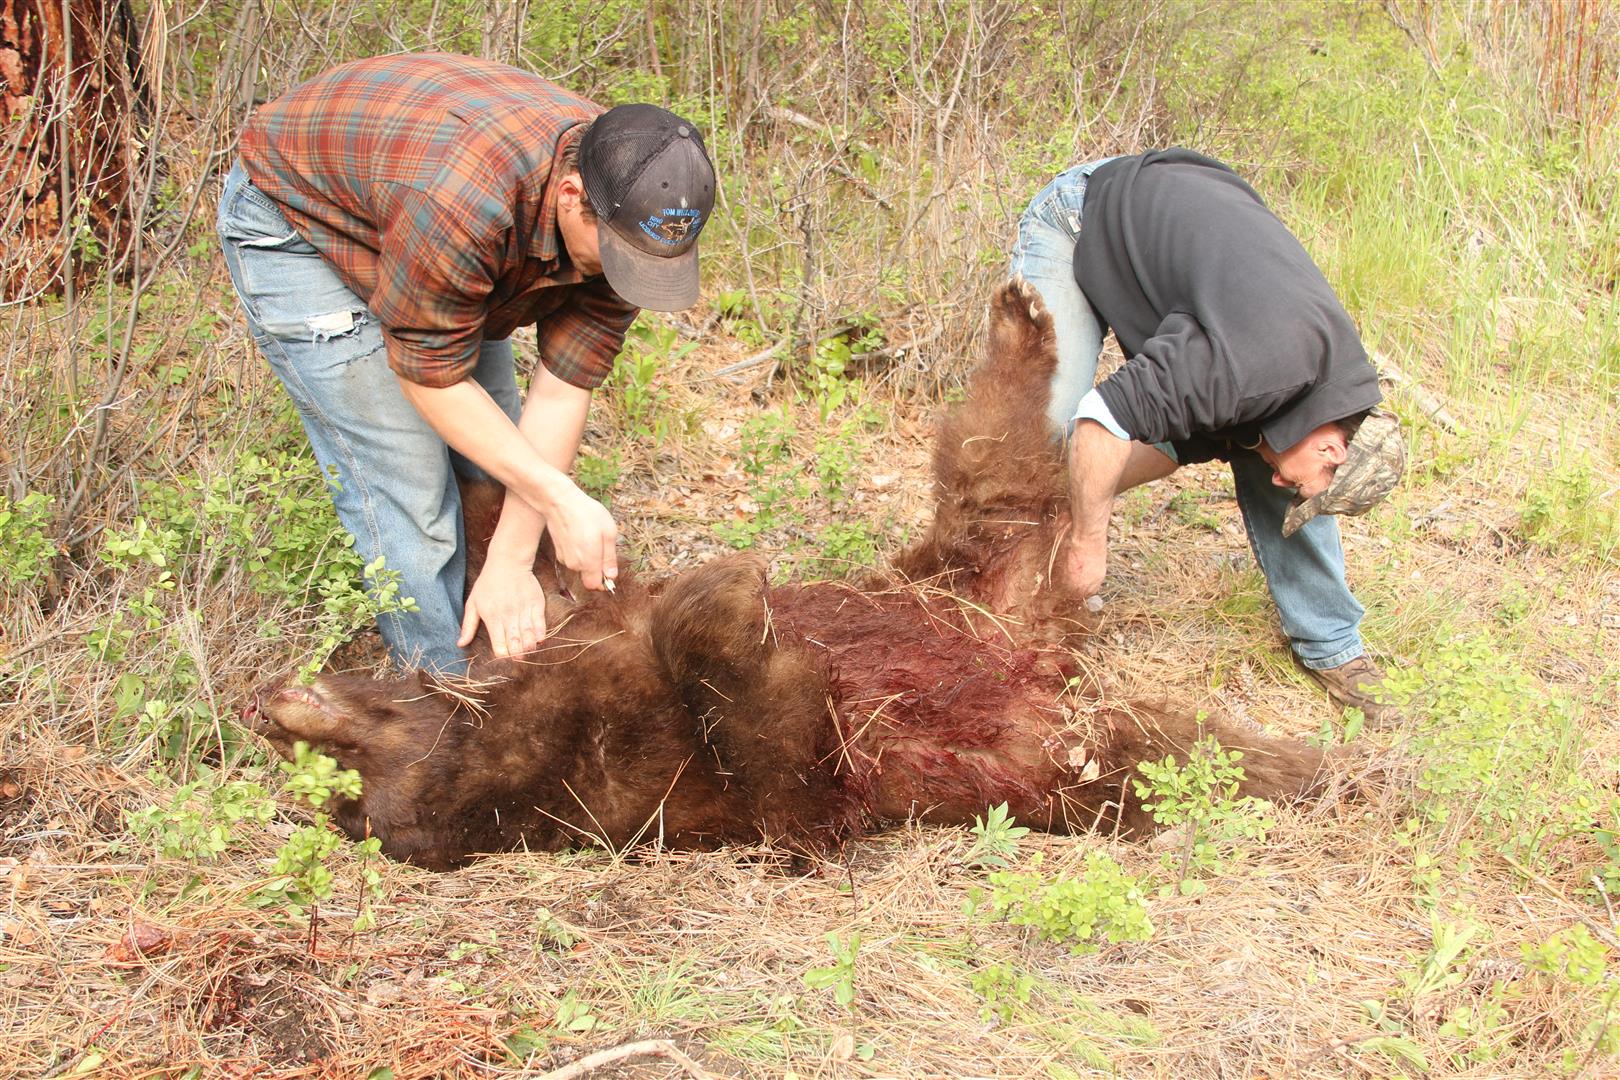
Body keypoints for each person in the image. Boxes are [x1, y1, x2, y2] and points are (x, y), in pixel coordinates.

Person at [216, 54, 715, 673]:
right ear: (570, 195)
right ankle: (445, 700)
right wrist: (558, 498)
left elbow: (559, 395)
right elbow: (431, 373)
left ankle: (504, 631)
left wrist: (512, 556)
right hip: (305, 224)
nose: (625, 276)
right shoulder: (464, 202)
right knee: (410, 488)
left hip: (432, 235)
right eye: (615, 258)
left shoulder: (636, 203)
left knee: (495, 465)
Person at [1009, 149, 1405, 723]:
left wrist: (1078, 499)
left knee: (1265, 454)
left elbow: (1171, 443)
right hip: (1085, 216)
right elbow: (1103, 419)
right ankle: (998, 579)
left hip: (1185, 222)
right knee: (1042, 430)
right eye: (1309, 488)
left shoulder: (1333, 391)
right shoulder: (1248, 366)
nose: (1281, 484)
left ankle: (1333, 647)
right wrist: (1088, 546)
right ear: (1332, 449)